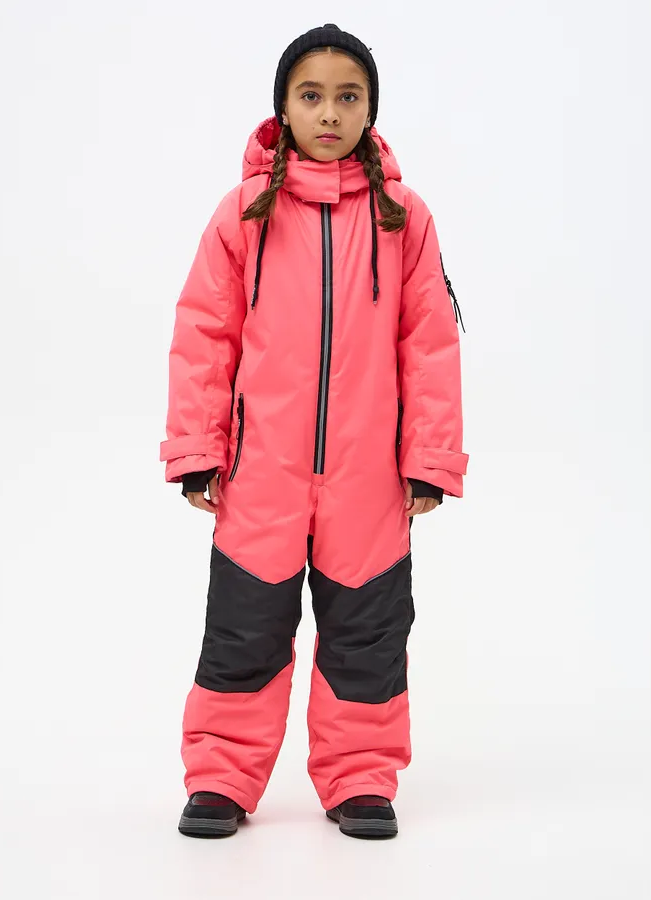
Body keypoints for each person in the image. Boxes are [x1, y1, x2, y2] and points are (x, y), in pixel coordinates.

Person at [159, 23, 469, 839]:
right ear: (283, 108)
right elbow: (205, 334)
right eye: (311, 95)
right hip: (261, 471)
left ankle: (360, 777)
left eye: (347, 96)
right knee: (244, 630)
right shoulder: (243, 214)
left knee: (368, 633)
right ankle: (222, 775)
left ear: (370, 109)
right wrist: (198, 450)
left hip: (370, 479)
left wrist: (429, 458)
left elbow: (430, 342)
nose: (329, 112)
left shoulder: (405, 217)